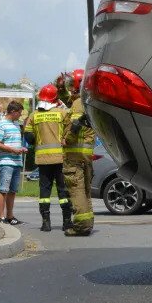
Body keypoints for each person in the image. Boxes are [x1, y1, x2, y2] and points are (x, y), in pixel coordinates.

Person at [23, 83, 70, 232]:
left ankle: (46, 223)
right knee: (63, 190)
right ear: (55, 98)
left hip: (42, 160)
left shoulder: (34, 115)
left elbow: (29, 137)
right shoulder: (61, 114)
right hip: (61, 158)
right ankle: (67, 222)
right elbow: (70, 133)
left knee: (44, 192)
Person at [61, 69, 96, 236]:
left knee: (77, 192)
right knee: (86, 192)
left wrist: (66, 140)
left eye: (71, 84)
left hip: (74, 156)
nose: (69, 88)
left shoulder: (77, 104)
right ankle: (87, 224)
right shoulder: (89, 101)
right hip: (86, 155)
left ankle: (81, 226)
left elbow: (75, 126)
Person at [0, 100, 29, 224]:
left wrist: (21, 149)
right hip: (6, 162)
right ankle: (1, 217)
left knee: (13, 191)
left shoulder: (16, 125)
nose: (20, 115)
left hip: (17, 162)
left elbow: (14, 143)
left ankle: (10, 216)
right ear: (13, 112)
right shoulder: (1, 124)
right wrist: (12, 150)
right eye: (19, 113)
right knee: (3, 189)